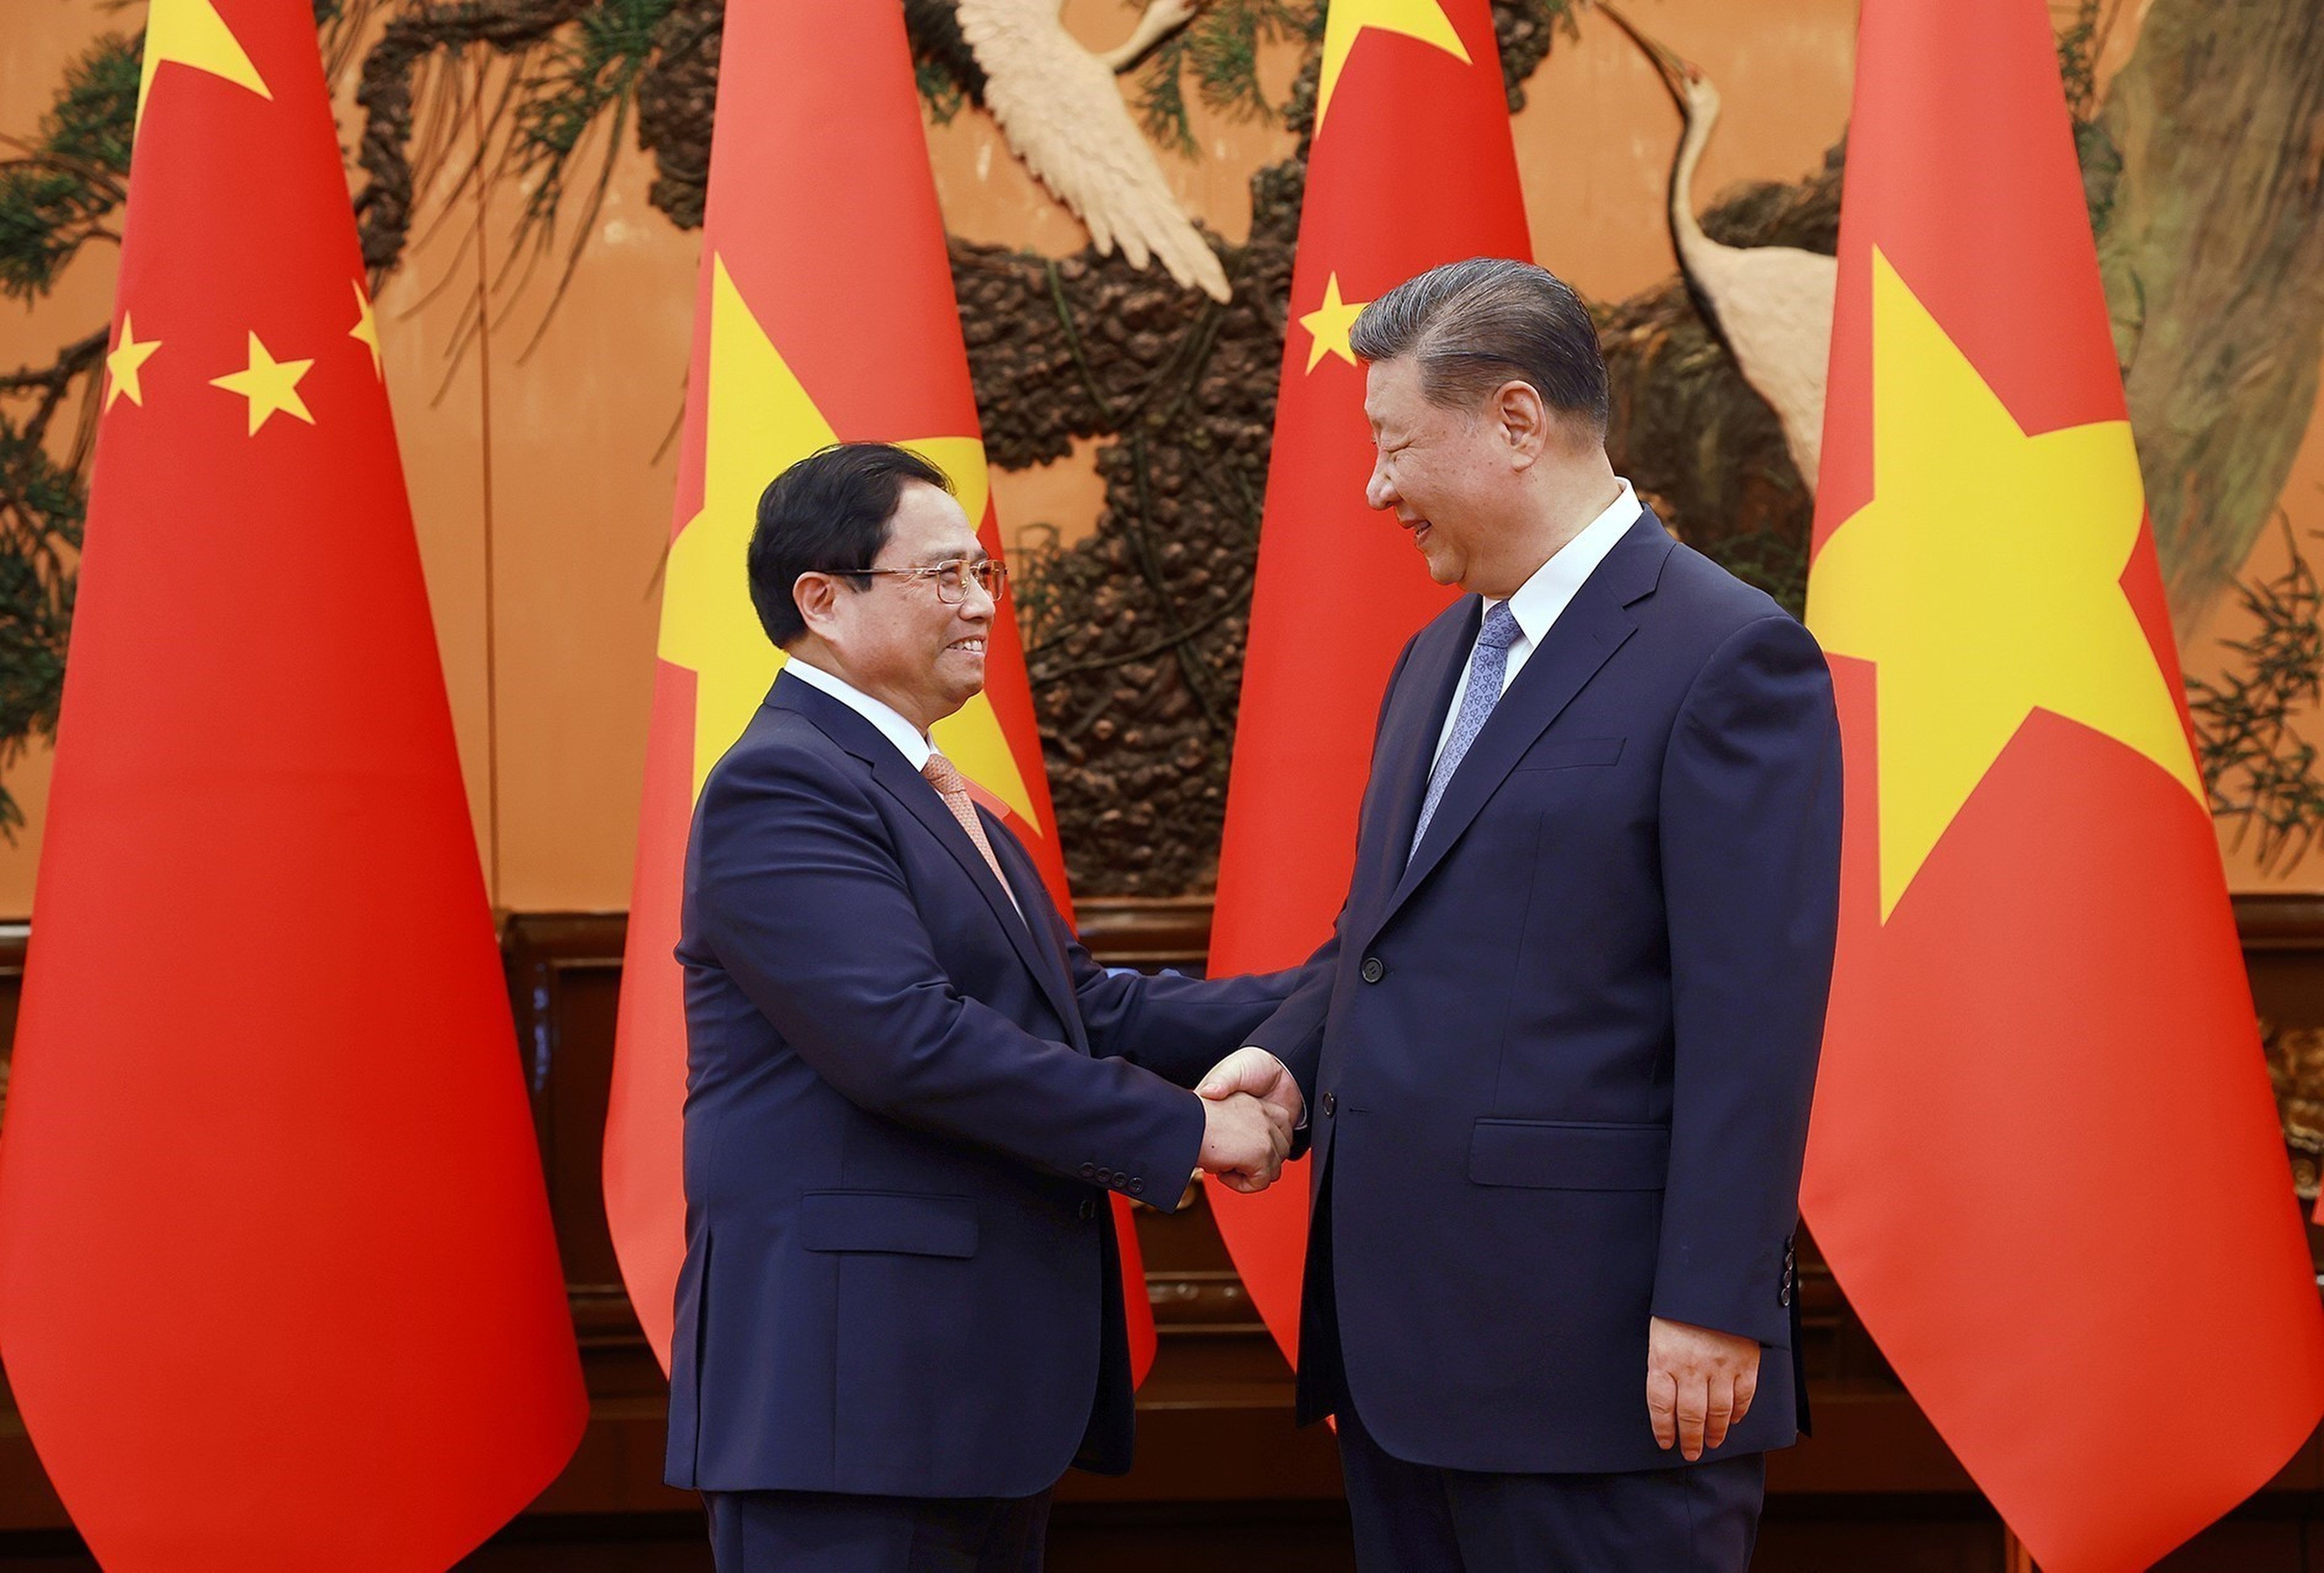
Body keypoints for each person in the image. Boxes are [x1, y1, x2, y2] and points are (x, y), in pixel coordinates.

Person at [1201, 257, 1844, 1571]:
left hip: (1605, 1374)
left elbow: (1752, 1013)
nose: (1372, 489)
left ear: (1511, 422)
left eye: (1392, 446)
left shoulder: (1727, 654)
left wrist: (1715, 1303)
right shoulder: (1436, 654)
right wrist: (1289, 1053)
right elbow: (1384, 938)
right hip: (1404, 1367)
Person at [666, 442, 1299, 1573]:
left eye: (983, 577)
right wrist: (1189, 1130)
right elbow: (905, 1045)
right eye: (941, 577)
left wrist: (1339, 991)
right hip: (850, 1412)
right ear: (823, 600)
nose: (977, 607)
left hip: (960, 1401)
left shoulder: (932, 793)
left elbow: (1086, 1012)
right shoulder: (784, 785)